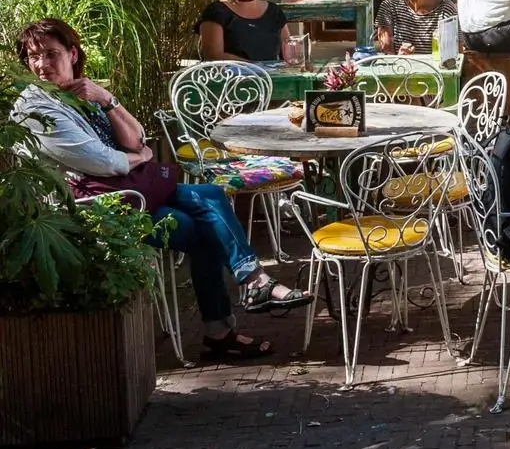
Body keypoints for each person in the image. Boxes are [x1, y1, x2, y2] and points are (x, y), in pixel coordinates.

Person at [12, 19, 312, 360]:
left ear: (72, 53)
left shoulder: (82, 92)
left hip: (135, 191)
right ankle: (229, 319)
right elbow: (102, 162)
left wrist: (107, 99)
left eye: (51, 54)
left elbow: (136, 135)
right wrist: (140, 157)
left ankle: (250, 287)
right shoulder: (36, 108)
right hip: (102, 206)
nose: (41, 64)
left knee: (212, 196)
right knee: (203, 228)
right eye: (33, 56)